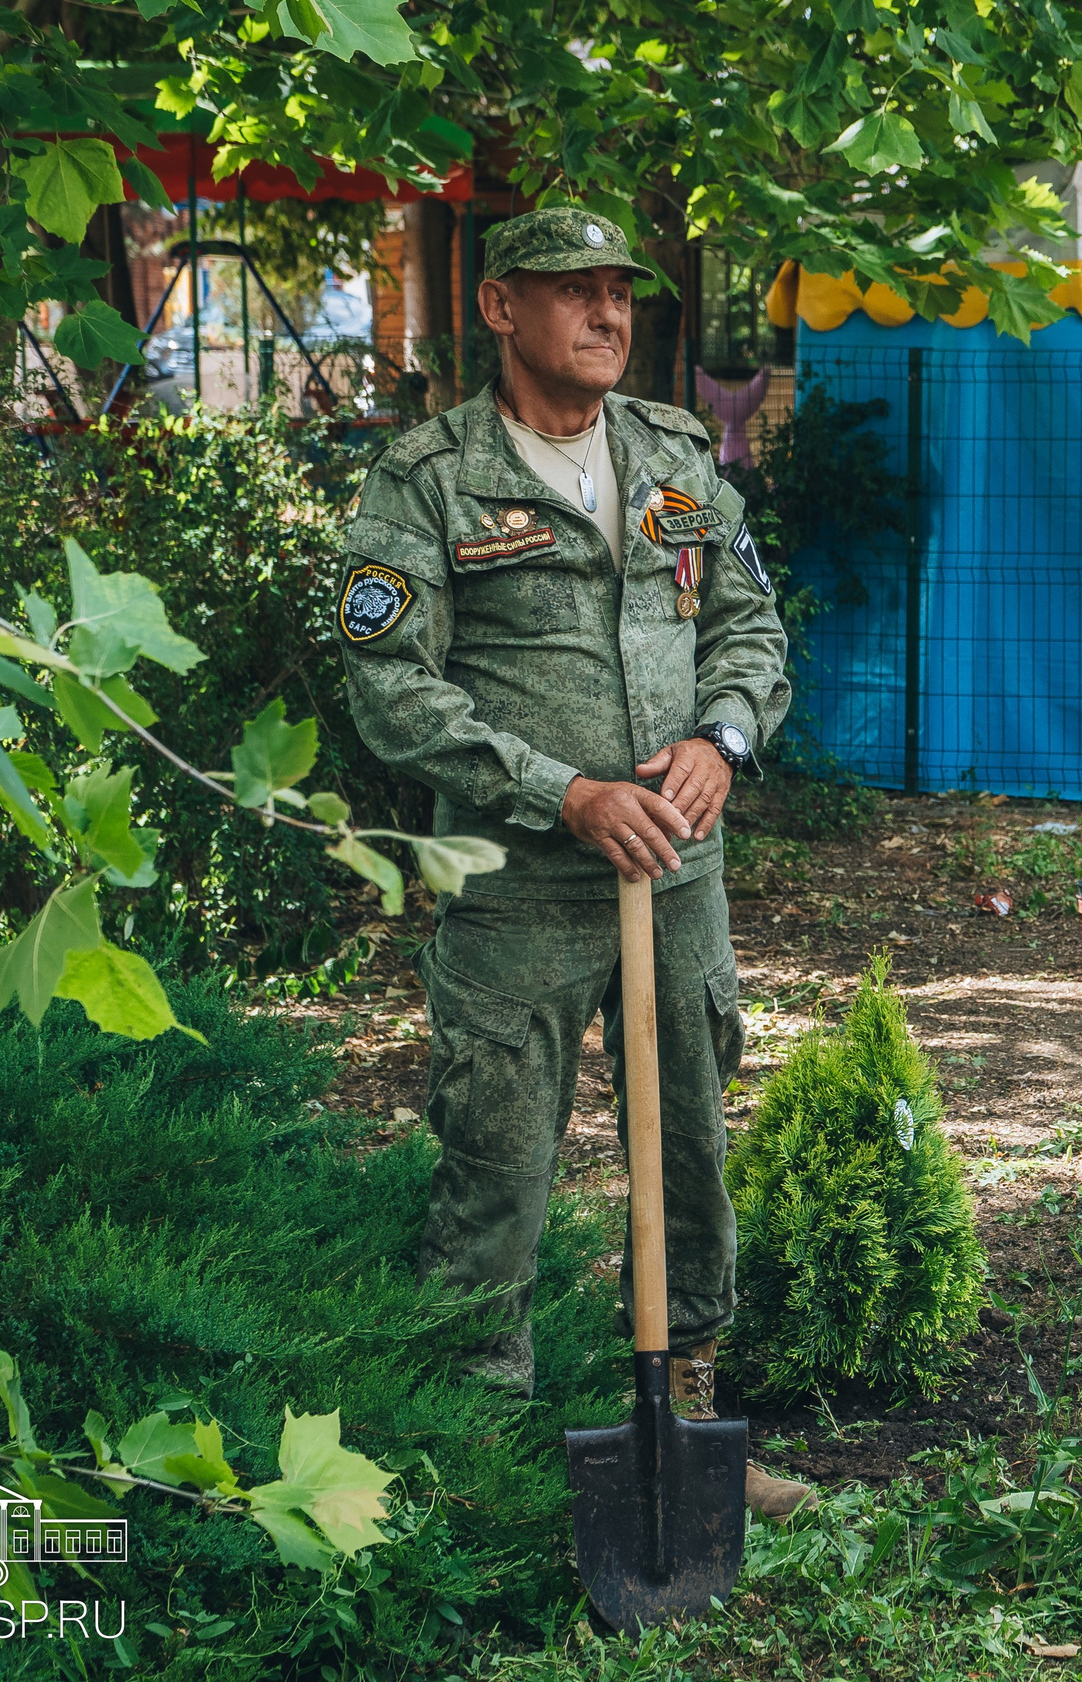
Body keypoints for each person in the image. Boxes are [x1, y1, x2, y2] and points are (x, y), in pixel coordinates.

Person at [337, 206, 809, 1518]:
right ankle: (470, 1456)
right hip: (519, 893)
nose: (608, 315)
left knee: (694, 1156)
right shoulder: (429, 478)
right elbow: (393, 689)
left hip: (681, 877)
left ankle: (696, 1431)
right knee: (495, 1171)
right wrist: (566, 792)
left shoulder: (670, 450)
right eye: (574, 292)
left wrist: (720, 739)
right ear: (501, 308)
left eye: (620, 294)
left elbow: (748, 622)